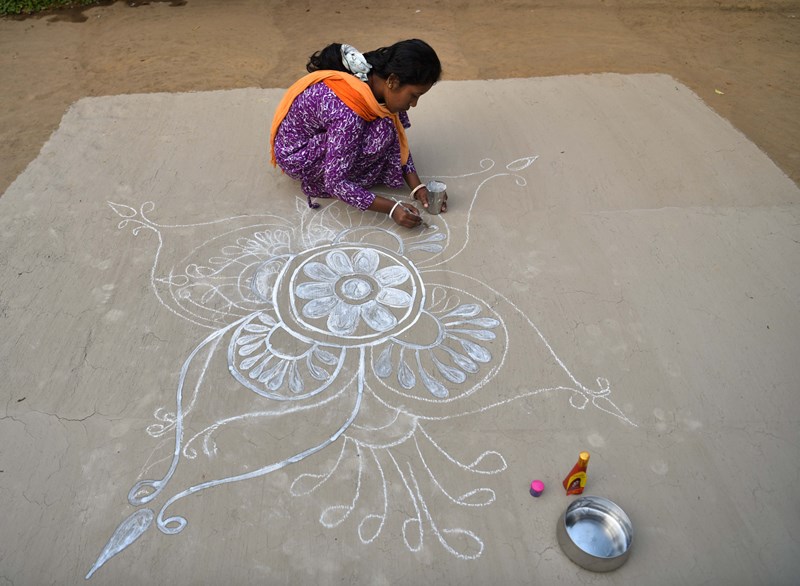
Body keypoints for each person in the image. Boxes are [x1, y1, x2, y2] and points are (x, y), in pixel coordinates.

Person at [270, 39, 445, 228]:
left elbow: (398, 137)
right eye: (414, 95)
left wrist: (417, 187)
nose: (414, 104)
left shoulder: (375, 79)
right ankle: (316, 183)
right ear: (393, 81)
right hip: (297, 155)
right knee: (380, 136)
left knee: (388, 122)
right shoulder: (348, 113)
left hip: (319, 137)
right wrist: (392, 209)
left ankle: (340, 166)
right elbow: (335, 182)